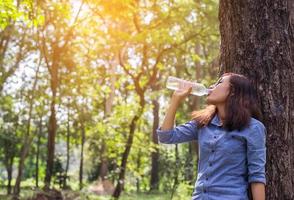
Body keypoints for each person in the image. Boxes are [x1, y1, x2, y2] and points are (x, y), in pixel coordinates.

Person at [157, 72, 266, 200]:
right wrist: (175, 100)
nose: (211, 86)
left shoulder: (253, 128)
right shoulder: (203, 123)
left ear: (233, 91)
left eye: (219, 83)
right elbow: (166, 136)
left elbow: (257, 176)